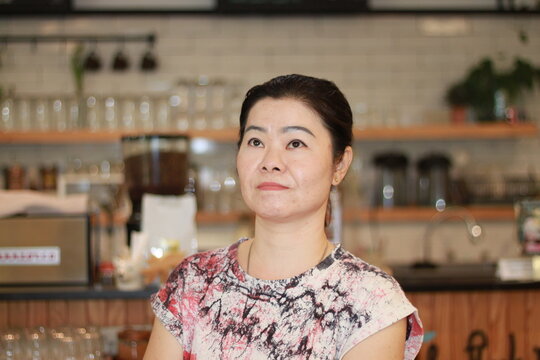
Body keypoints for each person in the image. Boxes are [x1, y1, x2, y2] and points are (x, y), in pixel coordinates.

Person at [144, 74, 423, 360]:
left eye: (295, 143)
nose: (271, 162)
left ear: (340, 165)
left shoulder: (371, 300)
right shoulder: (193, 280)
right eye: (255, 141)